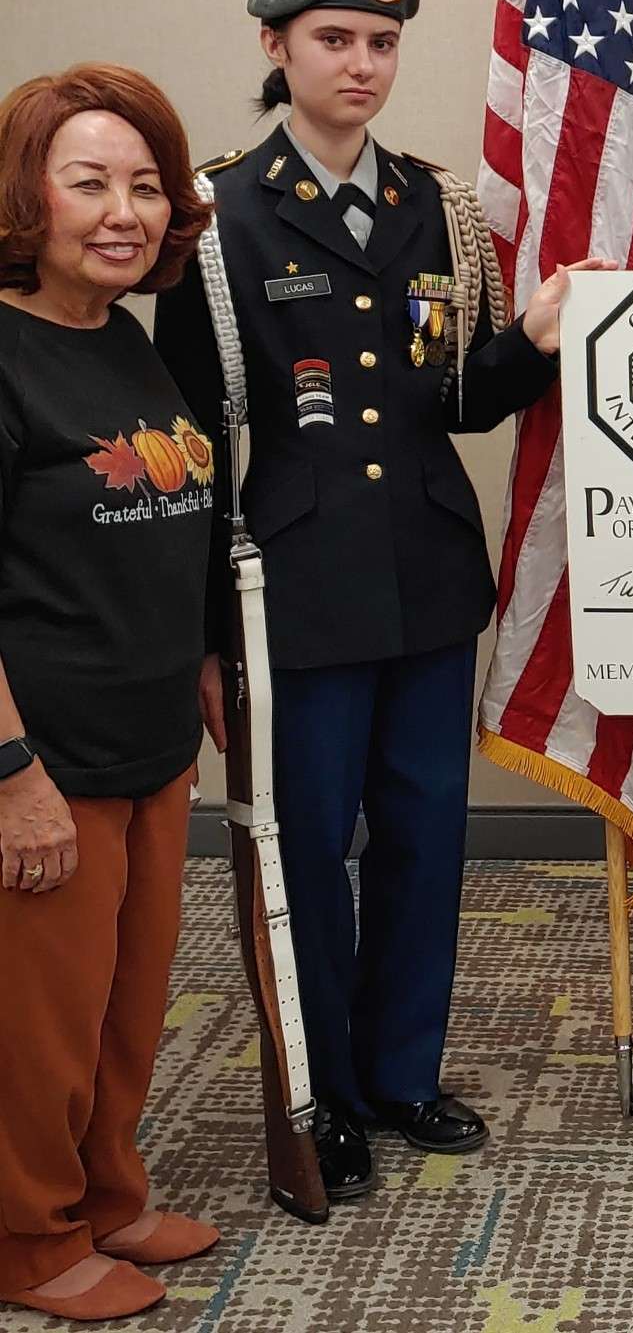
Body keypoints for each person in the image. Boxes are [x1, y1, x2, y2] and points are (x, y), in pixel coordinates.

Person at [153, 0, 590, 1203]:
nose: (362, 64)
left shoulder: (435, 206)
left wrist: (532, 342)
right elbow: (189, 439)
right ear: (275, 48)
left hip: (427, 581)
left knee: (422, 843)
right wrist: (202, 636)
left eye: (382, 43)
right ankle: (323, 1089)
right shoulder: (214, 209)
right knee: (302, 859)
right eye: (335, 39)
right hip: (292, 591)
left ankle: (404, 1072)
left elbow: (451, 398)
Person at [0, 66, 219, 1323]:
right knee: (38, 1025)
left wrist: (196, 659)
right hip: (47, 759)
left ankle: (106, 1189)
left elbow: (159, 513)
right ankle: (29, 1240)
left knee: (128, 1000)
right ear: (28, 194)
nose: (123, 210)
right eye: (89, 182)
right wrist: (11, 775)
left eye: (145, 184)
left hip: (149, 742)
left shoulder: (124, 339)